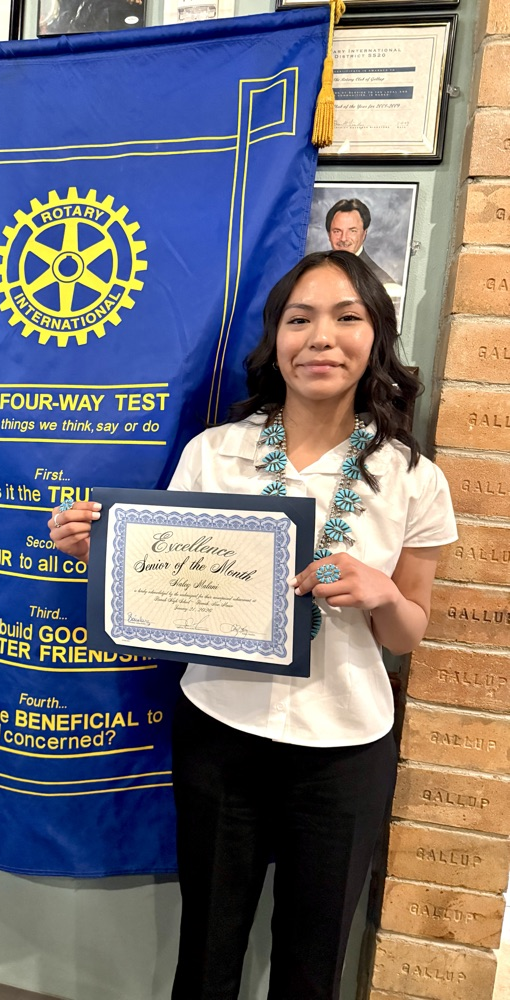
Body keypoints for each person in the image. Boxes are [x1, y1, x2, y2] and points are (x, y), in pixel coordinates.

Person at [47, 250, 457, 1000]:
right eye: (300, 320)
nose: (321, 337)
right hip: (220, 734)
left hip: (344, 751)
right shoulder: (215, 453)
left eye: (346, 318)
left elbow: (407, 635)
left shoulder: (412, 477)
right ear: (276, 340)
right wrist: (98, 550)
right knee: (205, 954)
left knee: (312, 966)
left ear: (376, 337)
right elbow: (162, 587)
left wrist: (381, 595)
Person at [325, 198, 397, 287]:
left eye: (352, 231)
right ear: (329, 235)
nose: (343, 238)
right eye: (337, 231)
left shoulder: (383, 283)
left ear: (364, 234)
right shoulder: (315, 267)